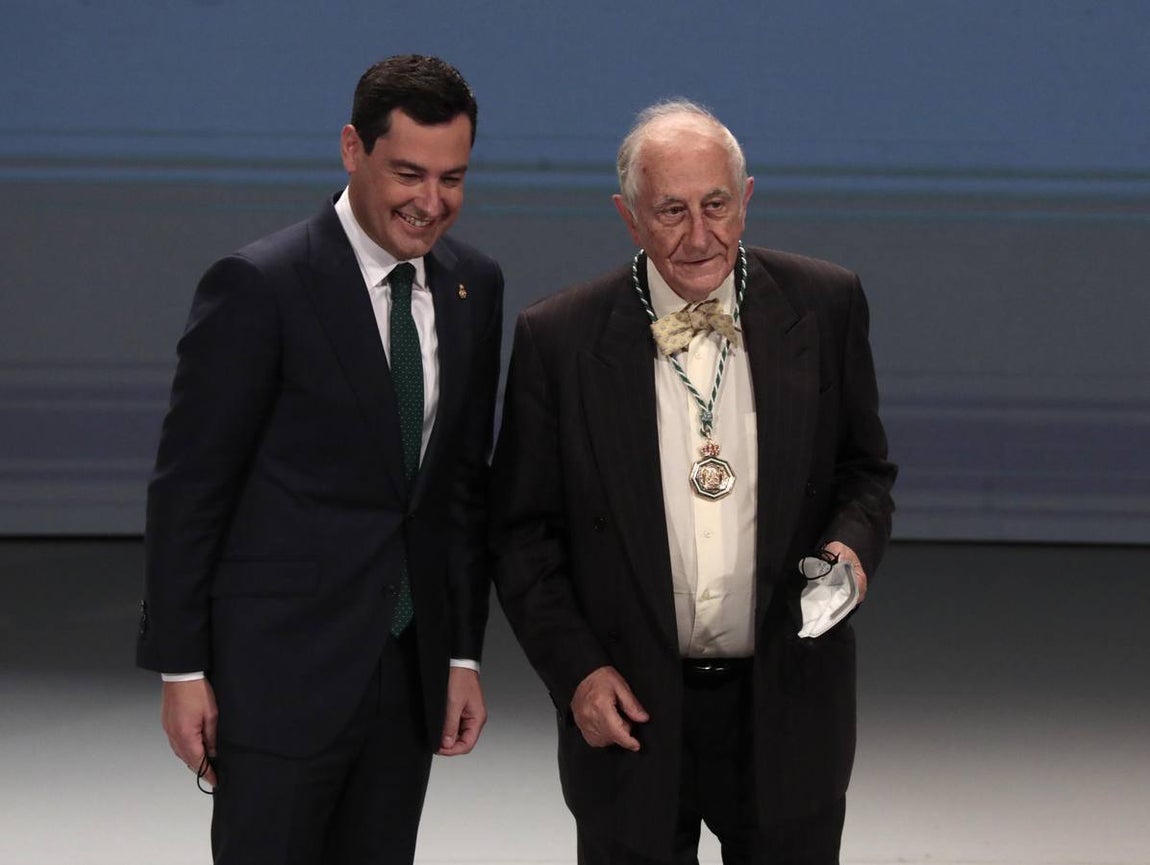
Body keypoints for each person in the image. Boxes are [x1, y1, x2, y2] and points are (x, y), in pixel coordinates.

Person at [490, 100, 896, 864]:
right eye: (671, 210)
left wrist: (849, 549)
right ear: (629, 217)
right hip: (630, 710)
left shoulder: (827, 304)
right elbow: (523, 535)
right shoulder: (559, 339)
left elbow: (865, 473)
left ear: (746, 199)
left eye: (715, 204)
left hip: (787, 703)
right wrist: (576, 670)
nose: (699, 235)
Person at [136, 55, 503, 865]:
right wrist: (180, 667)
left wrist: (461, 652)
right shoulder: (261, 284)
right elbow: (189, 487)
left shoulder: (474, 285)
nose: (431, 202)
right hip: (277, 676)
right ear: (351, 149)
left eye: (453, 178)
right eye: (409, 173)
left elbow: (459, 492)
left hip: (407, 673)